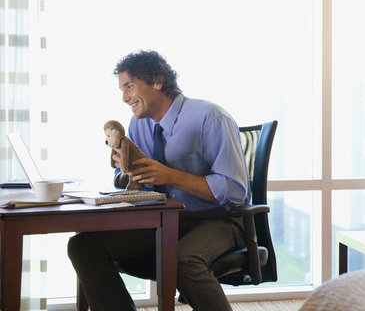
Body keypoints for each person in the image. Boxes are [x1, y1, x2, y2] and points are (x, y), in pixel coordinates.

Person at [67, 50, 250, 311]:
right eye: (121, 89)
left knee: (183, 258)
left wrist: (168, 175)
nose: (124, 97)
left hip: (219, 219)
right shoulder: (138, 124)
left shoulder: (210, 117)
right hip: (166, 221)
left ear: (157, 81)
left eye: (129, 86)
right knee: (84, 246)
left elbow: (234, 191)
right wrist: (125, 170)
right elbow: (133, 180)